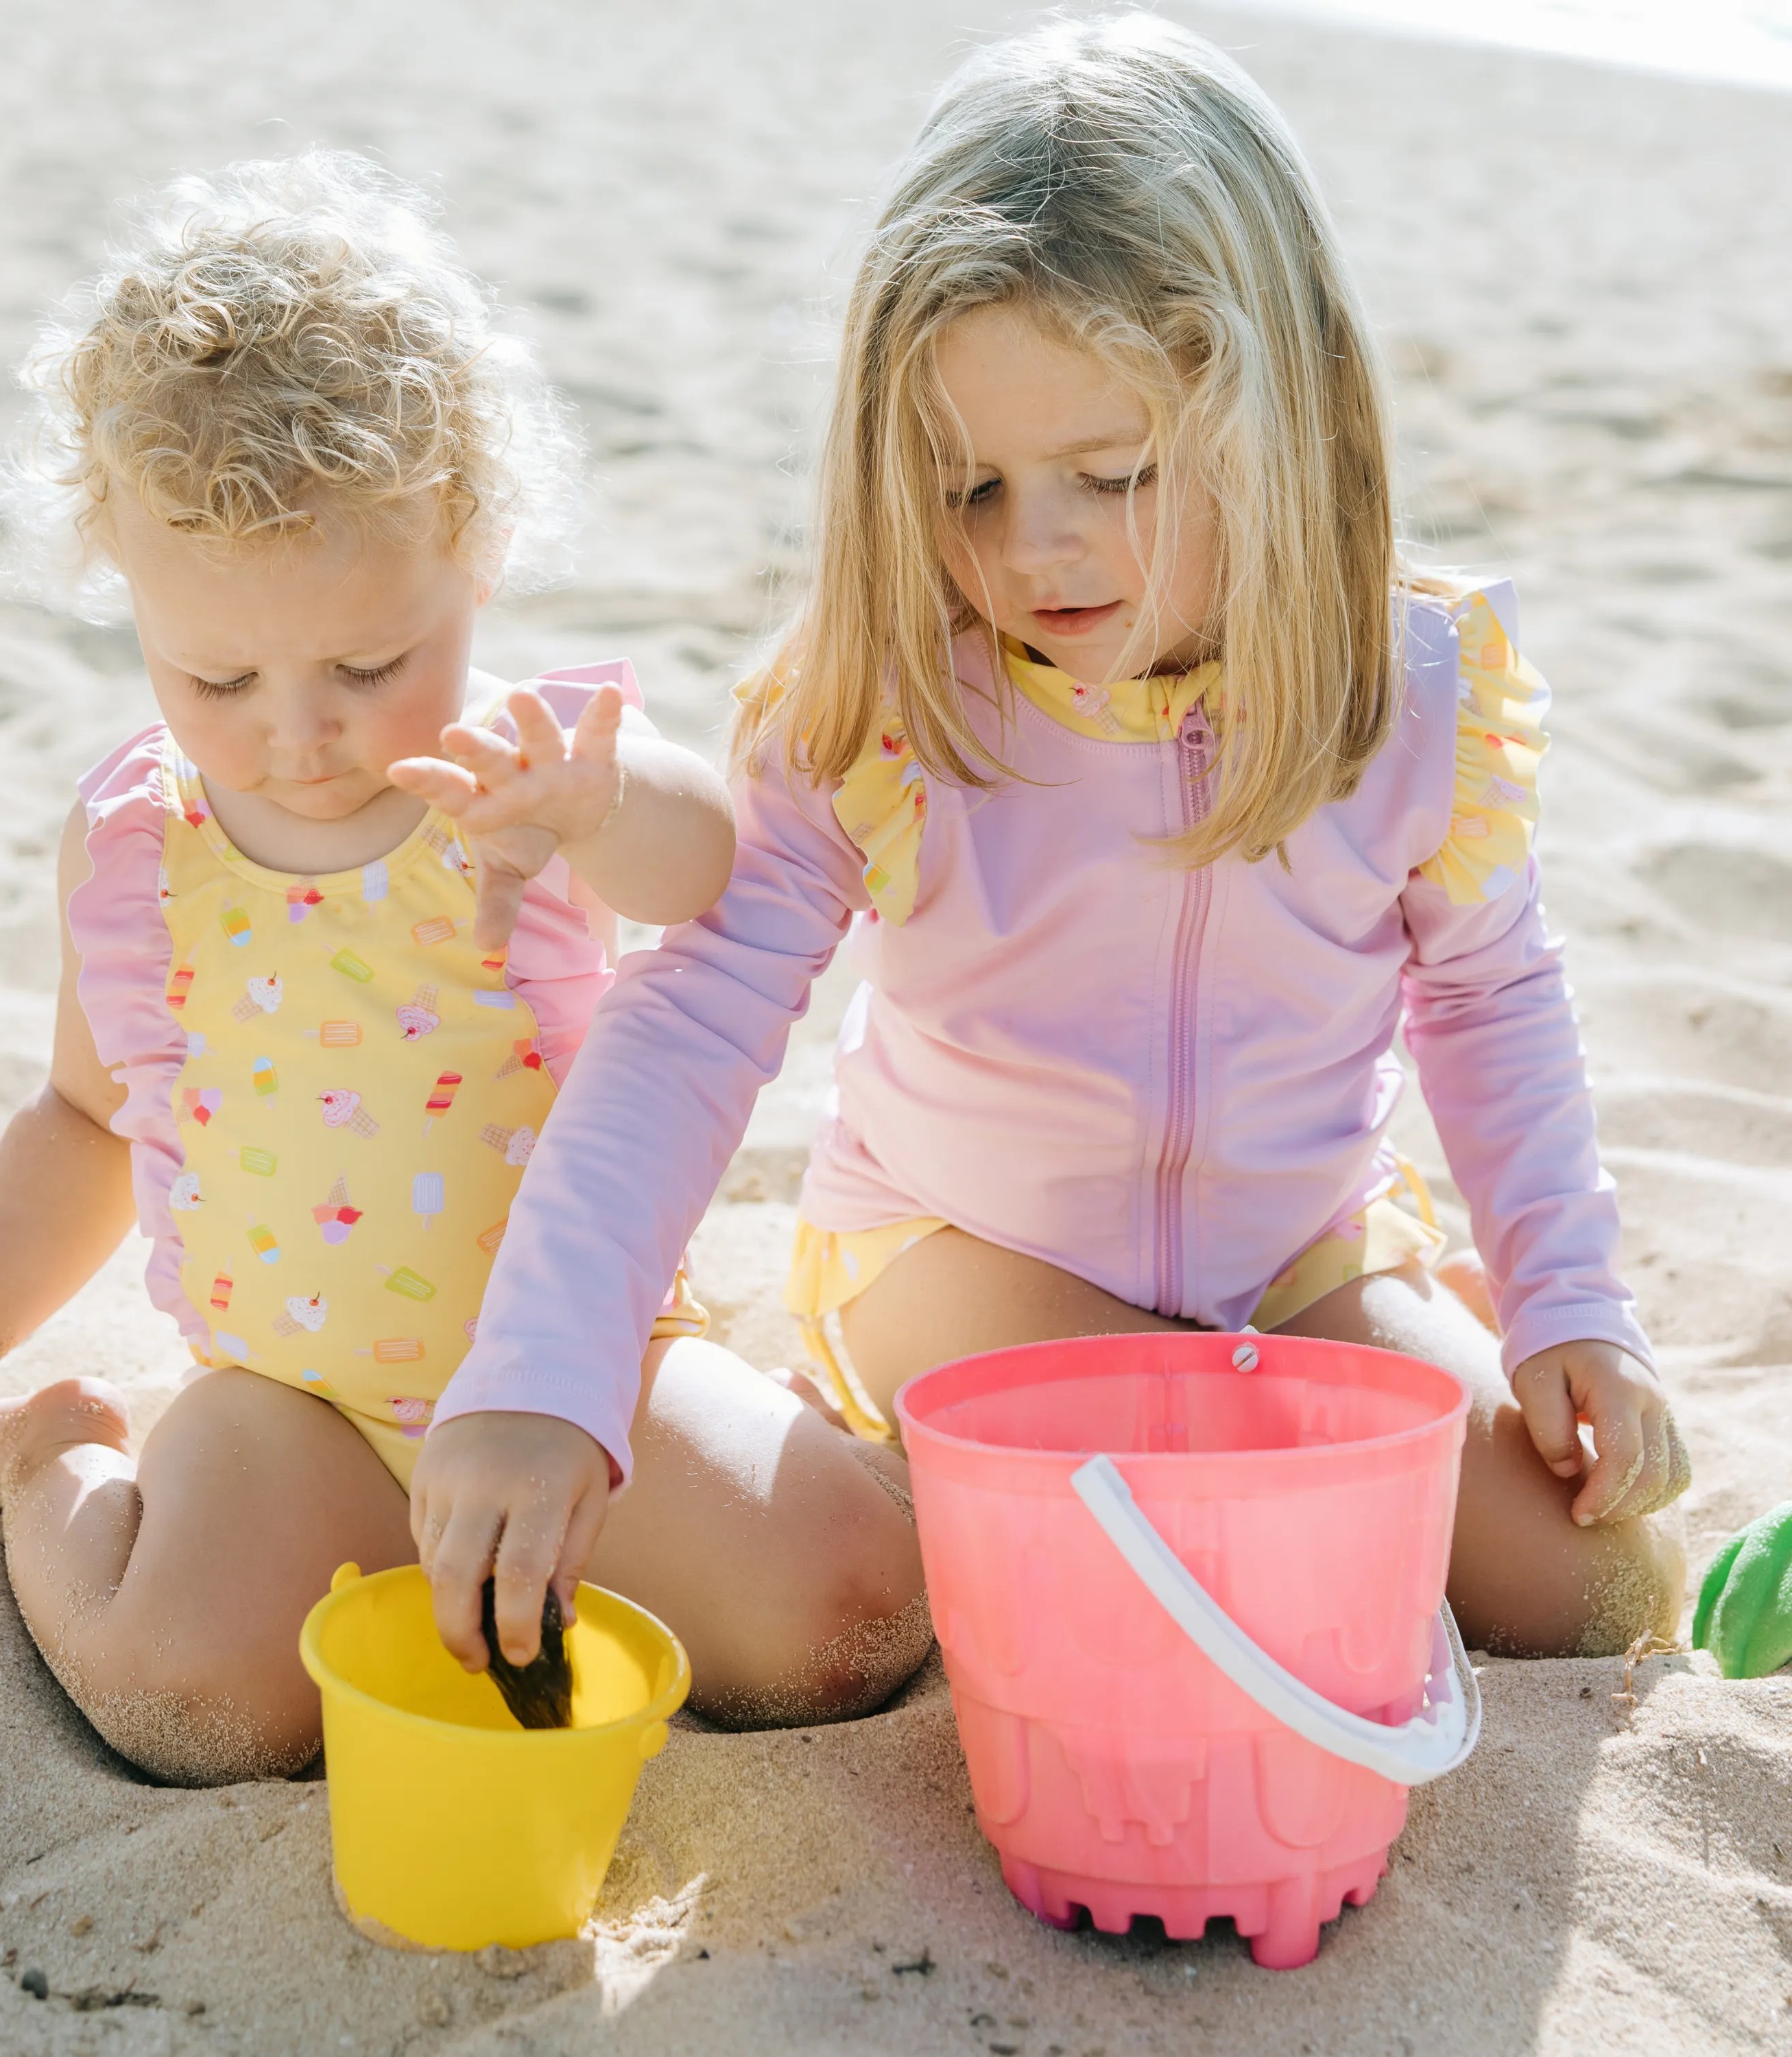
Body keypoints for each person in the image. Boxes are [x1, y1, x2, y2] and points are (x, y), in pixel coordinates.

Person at [418, 13, 1688, 1671]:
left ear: (1276, 418)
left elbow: (1493, 1000)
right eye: (968, 489)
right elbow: (696, 1015)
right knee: (1159, 1557)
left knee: (1587, 1593)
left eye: (1111, 471)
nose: (1037, 549)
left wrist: (1571, 1307)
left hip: (1295, 1260)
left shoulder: (1415, 688)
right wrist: (549, 1367)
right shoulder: (883, 695)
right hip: (961, 1257)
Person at [0, 153, 929, 1782]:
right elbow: (84, 1119)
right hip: (294, 1407)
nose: (299, 731)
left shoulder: (520, 768)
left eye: (369, 662)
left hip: (578, 1368)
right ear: (124, 581)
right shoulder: (134, 850)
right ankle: (49, 1472)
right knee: (197, 1703)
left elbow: (704, 869)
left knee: (852, 1619)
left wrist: (596, 801)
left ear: (477, 550)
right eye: (218, 671)